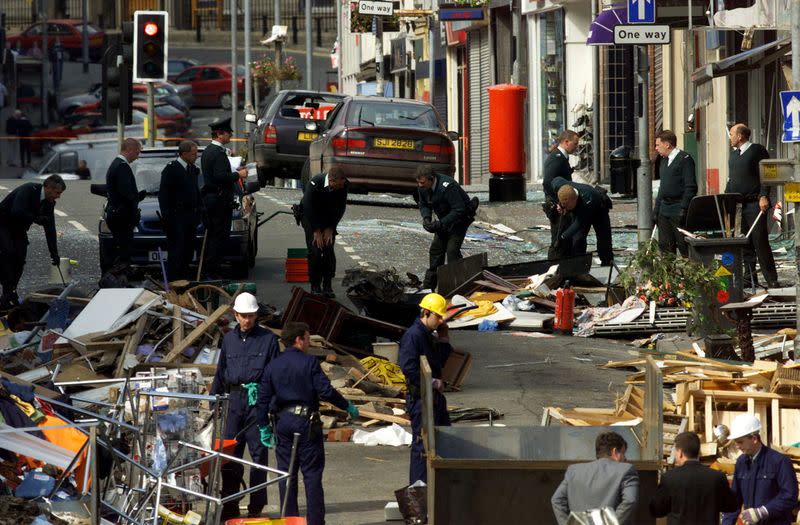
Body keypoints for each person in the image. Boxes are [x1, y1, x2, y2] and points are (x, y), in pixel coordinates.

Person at [256, 321, 359, 525]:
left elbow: (263, 400)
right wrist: (346, 405)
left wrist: (263, 427)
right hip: (306, 422)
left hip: (283, 423)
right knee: (311, 475)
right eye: (307, 338)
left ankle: (290, 519)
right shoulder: (309, 362)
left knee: (287, 474)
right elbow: (325, 391)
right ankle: (315, 522)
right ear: (298, 339)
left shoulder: (272, 365)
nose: (309, 343)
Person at [210, 292, 280, 520]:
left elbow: (274, 375)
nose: (247, 320)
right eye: (243, 316)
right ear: (235, 315)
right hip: (234, 401)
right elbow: (221, 371)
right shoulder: (228, 339)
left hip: (257, 401)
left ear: (256, 315)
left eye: (250, 316)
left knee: (258, 454)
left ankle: (256, 504)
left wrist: (271, 407)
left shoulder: (268, 340)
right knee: (230, 453)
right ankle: (230, 502)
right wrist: (214, 401)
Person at [399, 293, 452, 484]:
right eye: (438, 317)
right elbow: (408, 368)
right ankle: (419, 491)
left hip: (433, 399)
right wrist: (431, 382)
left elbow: (439, 362)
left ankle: (439, 487)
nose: (440, 321)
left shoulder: (428, 335)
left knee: (444, 440)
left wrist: (444, 339)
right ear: (426, 312)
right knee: (422, 446)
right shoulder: (413, 336)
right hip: (421, 399)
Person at [0, 175, 65, 309]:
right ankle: (7, 292)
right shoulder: (29, 189)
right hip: (3, 223)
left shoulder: (49, 203)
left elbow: (50, 228)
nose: (58, 197)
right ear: (48, 188)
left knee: (20, 258)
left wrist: (54, 253)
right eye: (57, 193)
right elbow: (17, 210)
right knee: (8, 253)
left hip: (19, 228)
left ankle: (10, 292)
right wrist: (36, 218)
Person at [727, 124, 779, 288]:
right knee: (745, 243)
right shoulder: (734, 155)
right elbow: (732, 180)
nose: (730, 137)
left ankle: (771, 279)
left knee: (760, 241)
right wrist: (725, 198)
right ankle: (750, 278)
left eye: (731, 134)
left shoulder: (757, 150)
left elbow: (766, 174)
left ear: (740, 136)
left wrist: (764, 195)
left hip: (754, 204)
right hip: (738, 205)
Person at [722, 414, 797, 525]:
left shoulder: (780, 461)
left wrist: (763, 511)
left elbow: (790, 496)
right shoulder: (741, 463)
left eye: (740, 442)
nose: (737, 446)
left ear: (754, 439)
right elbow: (734, 501)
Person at [551, 431, 639, 525]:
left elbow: (556, 500)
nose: (624, 459)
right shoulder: (626, 470)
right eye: (623, 453)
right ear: (614, 452)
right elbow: (630, 500)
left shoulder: (573, 471)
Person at [650, 431, 738, 524]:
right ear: (698, 452)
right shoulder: (717, 477)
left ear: (680, 453)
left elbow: (657, 510)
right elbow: (731, 506)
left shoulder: (669, 477)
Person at [415, 165, 477, 291]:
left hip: (459, 220)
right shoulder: (422, 188)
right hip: (444, 221)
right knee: (436, 251)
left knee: (452, 251)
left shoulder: (448, 186)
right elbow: (424, 204)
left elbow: (459, 210)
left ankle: (457, 285)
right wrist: (426, 218)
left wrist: (441, 223)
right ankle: (428, 288)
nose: (420, 185)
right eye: (418, 182)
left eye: (422, 182)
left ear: (431, 179)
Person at [200, 117, 247, 278]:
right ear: (220, 134)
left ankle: (211, 270)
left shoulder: (208, 151)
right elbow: (220, 176)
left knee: (214, 236)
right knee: (218, 238)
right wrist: (238, 174)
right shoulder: (218, 153)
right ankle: (212, 272)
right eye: (228, 133)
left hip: (213, 200)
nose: (230, 136)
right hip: (219, 201)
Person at [300, 165, 348, 297]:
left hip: (328, 218)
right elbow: (308, 207)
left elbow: (340, 208)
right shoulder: (316, 182)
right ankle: (315, 284)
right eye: (339, 185)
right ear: (332, 181)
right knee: (315, 249)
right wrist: (316, 231)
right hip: (310, 217)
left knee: (328, 248)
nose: (341, 187)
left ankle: (327, 285)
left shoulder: (344, 184)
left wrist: (330, 228)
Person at [159, 140, 201, 281]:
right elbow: (164, 196)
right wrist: (168, 218)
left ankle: (185, 278)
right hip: (176, 219)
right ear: (184, 154)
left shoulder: (191, 169)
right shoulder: (171, 169)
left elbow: (195, 192)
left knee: (187, 252)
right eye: (193, 154)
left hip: (190, 219)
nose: (196, 156)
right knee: (176, 252)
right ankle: (175, 281)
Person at [653, 129, 698, 256]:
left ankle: (687, 274)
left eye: (658, 145)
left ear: (667, 144)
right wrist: (656, 210)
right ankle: (670, 274)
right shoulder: (663, 161)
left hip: (678, 208)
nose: (656, 148)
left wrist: (684, 208)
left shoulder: (685, 159)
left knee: (683, 246)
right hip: (664, 210)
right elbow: (662, 188)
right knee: (665, 247)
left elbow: (691, 186)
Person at [551, 176, 614, 266]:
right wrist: (559, 204)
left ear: (575, 199)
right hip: (580, 209)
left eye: (568, 206)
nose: (567, 209)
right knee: (578, 239)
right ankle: (578, 265)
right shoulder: (559, 185)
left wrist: (562, 237)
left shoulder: (588, 199)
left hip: (598, 208)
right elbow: (553, 180)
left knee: (603, 238)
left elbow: (578, 224)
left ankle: (607, 263)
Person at [105, 138, 145, 267]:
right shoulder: (122, 166)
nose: (137, 157)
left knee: (121, 250)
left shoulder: (116, 164)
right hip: (122, 217)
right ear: (129, 150)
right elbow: (126, 192)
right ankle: (121, 279)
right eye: (137, 153)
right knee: (124, 252)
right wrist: (136, 199)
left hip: (117, 214)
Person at [543, 130, 579, 259]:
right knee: (559, 239)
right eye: (575, 144)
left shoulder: (562, 157)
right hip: (558, 206)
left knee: (565, 239)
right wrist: (559, 202)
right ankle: (554, 268)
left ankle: (563, 268)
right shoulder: (556, 158)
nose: (576, 147)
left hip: (562, 204)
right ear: (566, 142)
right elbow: (548, 182)